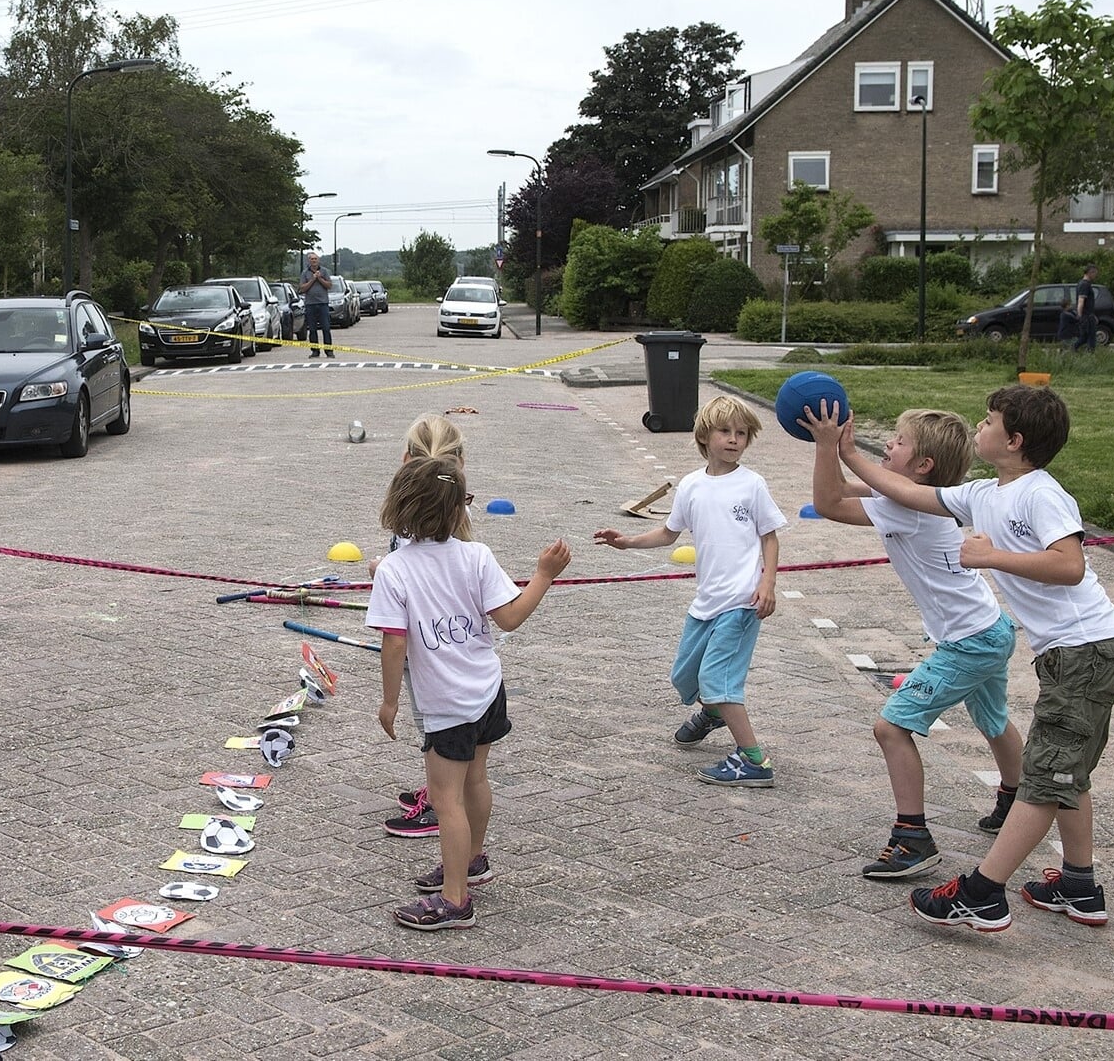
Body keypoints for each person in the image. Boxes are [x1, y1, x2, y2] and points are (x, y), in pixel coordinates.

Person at [840, 385, 1114, 931]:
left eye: (990, 419)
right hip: (1071, 654)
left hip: (1088, 650)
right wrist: (847, 451)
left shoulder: (1039, 494)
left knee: (1046, 778)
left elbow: (1070, 565)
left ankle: (981, 893)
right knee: (1066, 773)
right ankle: (1078, 886)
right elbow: (911, 495)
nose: (980, 424)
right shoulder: (983, 492)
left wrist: (989, 556)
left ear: (1014, 440)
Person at [803, 405, 1026, 878]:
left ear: (922, 466)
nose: (888, 444)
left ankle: (913, 838)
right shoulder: (916, 497)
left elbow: (828, 504)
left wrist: (831, 448)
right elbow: (838, 490)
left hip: (971, 642)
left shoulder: (907, 507)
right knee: (994, 719)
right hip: (991, 629)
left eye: (899, 441)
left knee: (891, 727)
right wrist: (833, 454)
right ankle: (1015, 797)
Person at [366, 454, 570, 930]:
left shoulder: (394, 569)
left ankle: (454, 901)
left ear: (400, 507)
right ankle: (472, 860)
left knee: (446, 799)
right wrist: (543, 575)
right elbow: (511, 618)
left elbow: (394, 642)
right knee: (476, 779)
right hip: (487, 690)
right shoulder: (476, 556)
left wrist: (390, 700)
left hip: (446, 705)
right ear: (461, 509)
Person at [594, 396, 785, 788]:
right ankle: (715, 713)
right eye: (725, 431)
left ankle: (754, 760)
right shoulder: (691, 485)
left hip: (741, 602)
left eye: (742, 433)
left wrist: (767, 582)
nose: (734, 440)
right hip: (706, 603)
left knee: (719, 679)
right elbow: (668, 533)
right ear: (704, 436)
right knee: (686, 677)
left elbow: (770, 537)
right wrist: (626, 541)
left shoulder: (752, 485)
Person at [374, 414, 467, 841]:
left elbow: (397, 631)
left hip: (425, 650)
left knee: (433, 725)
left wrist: (387, 699)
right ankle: (442, 789)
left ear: (405, 459)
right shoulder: (449, 512)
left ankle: (441, 801)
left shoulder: (415, 516)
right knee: (439, 725)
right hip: (449, 646)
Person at [299, 251, 333, 358]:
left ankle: (329, 350)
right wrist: (313, 279)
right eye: (311, 259)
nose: (313, 261)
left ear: (318, 260)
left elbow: (329, 285)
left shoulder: (324, 271)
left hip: (323, 303)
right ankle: (315, 350)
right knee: (312, 329)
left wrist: (320, 278)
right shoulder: (305, 273)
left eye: (315, 259)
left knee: (326, 328)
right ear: (309, 261)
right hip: (310, 304)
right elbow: (303, 288)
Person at [1069, 265, 1100, 352]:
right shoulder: (1084, 285)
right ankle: (1078, 350)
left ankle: (1073, 349)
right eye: (1095, 273)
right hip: (1086, 316)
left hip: (1088, 315)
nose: (1095, 276)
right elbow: (1081, 301)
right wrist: (1080, 316)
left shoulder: (1083, 283)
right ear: (1090, 272)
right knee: (1090, 337)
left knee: (1086, 337)